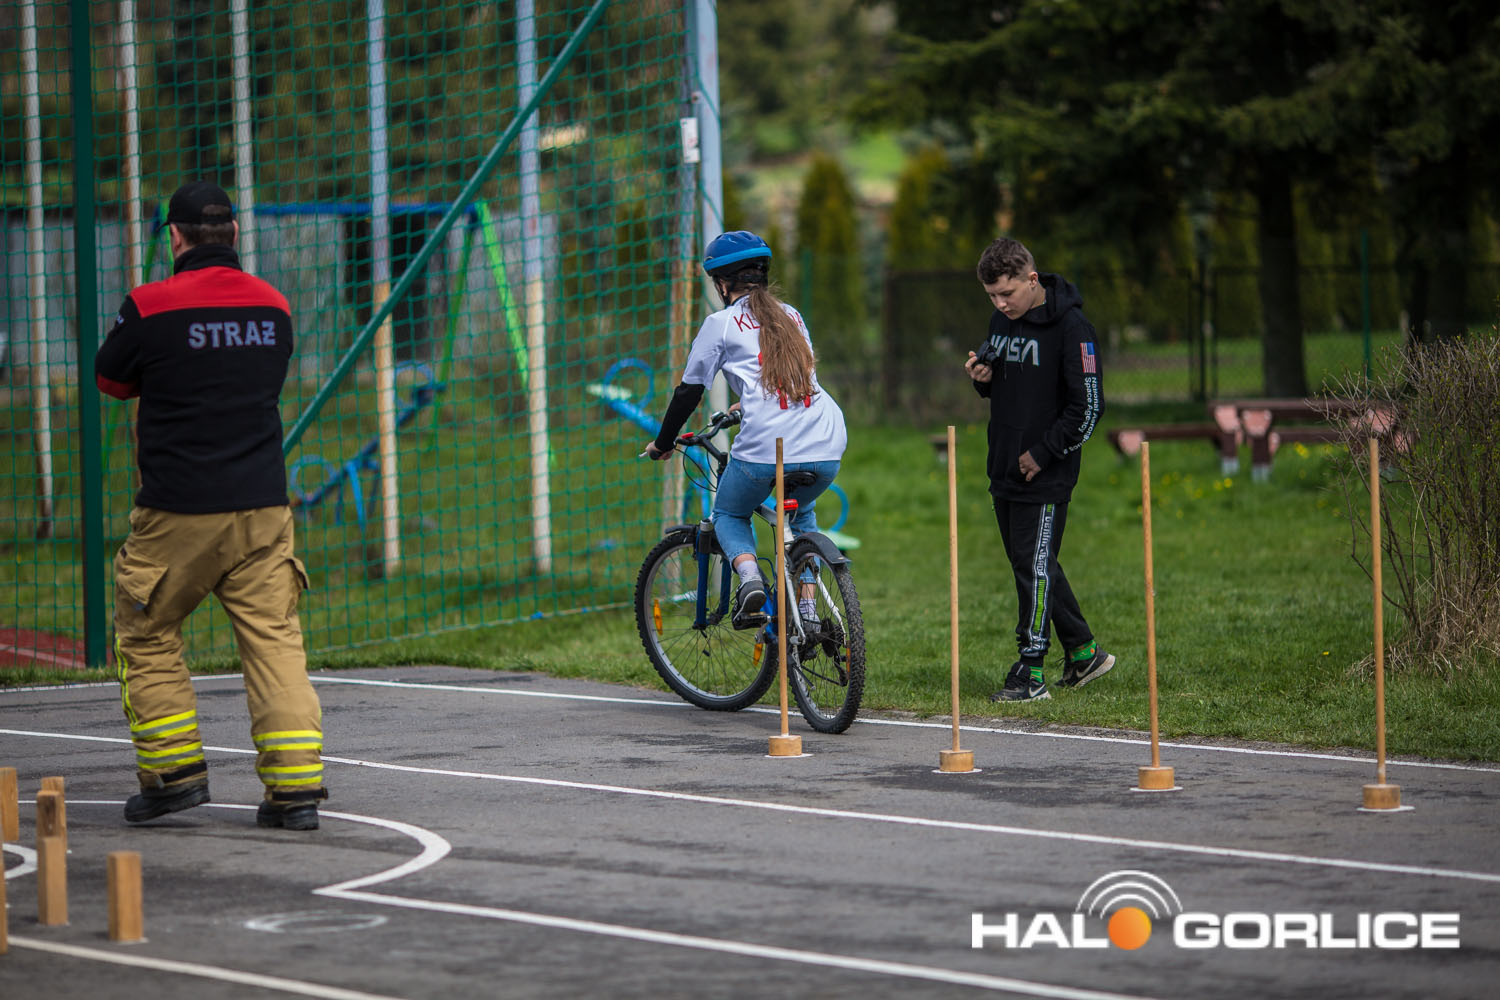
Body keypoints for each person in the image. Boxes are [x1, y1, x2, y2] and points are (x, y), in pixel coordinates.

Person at [95, 181, 327, 830]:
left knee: (146, 632)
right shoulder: (273, 305)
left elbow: (110, 378)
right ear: (234, 234)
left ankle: (174, 776)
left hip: (178, 511)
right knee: (274, 641)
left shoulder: (149, 305)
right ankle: (296, 791)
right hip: (263, 507)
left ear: (175, 236)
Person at [645, 231, 847, 628]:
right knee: (802, 514)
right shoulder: (791, 315)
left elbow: (688, 392)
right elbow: (793, 377)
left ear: (722, 283)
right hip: (827, 442)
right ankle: (808, 611)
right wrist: (749, 401)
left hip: (767, 448)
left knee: (729, 513)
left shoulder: (720, 324)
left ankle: (751, 579)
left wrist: (663, 442)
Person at [965, 237, 1115, 702]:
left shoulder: (1074, 328)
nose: (1000, 304)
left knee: (1034, 568)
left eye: (1007, 293)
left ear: (1032, 279)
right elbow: (1006, 383)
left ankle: (1030, 671)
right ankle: (1085, 654)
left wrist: (1044, 453)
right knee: (1033, 564)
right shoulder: (1001, 320)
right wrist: (982, 379)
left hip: (1045, 472)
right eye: (992, 296)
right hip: (1003, 464)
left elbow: (1089, 408)